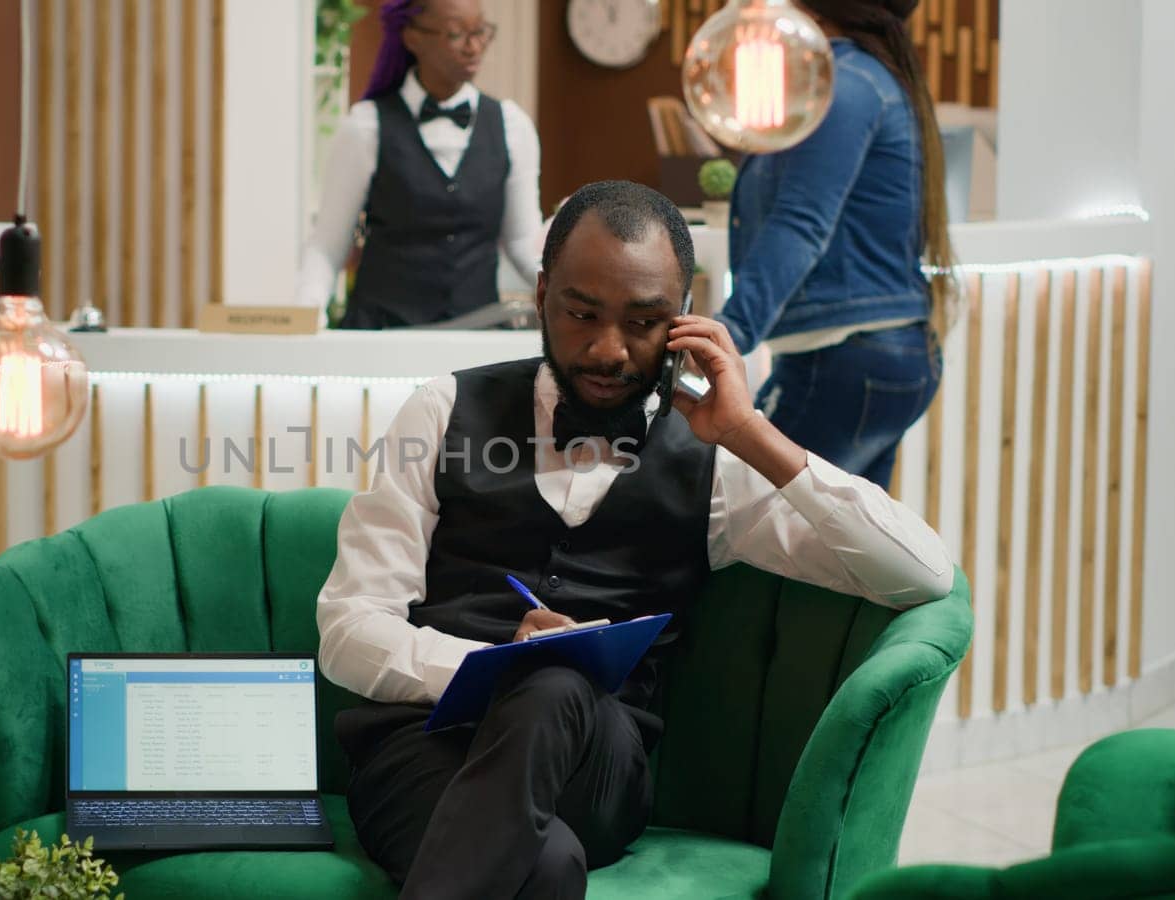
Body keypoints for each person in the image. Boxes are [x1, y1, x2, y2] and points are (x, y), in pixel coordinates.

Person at [315, 180, 955, 899]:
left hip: (600, 772)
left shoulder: (714, 463)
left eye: (644, 323)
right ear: (541, 293)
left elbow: (922, 572)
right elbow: (349, 625)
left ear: (683, 321)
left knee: (556, 684)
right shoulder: (442, 410)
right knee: (549, 867)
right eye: (581, 314)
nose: (608, 349)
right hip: (421, 752)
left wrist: (747, 432)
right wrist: (493, 665)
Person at [714, 0, 955, 489]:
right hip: (877, 356)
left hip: (844, 359)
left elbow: (801, 224)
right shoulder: (867, 78)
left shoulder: (844, 85)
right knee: (834, 559)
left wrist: (726, 338)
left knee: (741, 530)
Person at [296, 0, 543, 329]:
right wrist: (307, 314)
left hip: (478, 336)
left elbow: (521, 242)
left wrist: (564, 291)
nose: (474, 47)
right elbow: (328, 244)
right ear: (412, 37)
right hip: (383, 333)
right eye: (457, 35)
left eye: (480, 32)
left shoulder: (513, 125)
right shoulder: (366, 127)